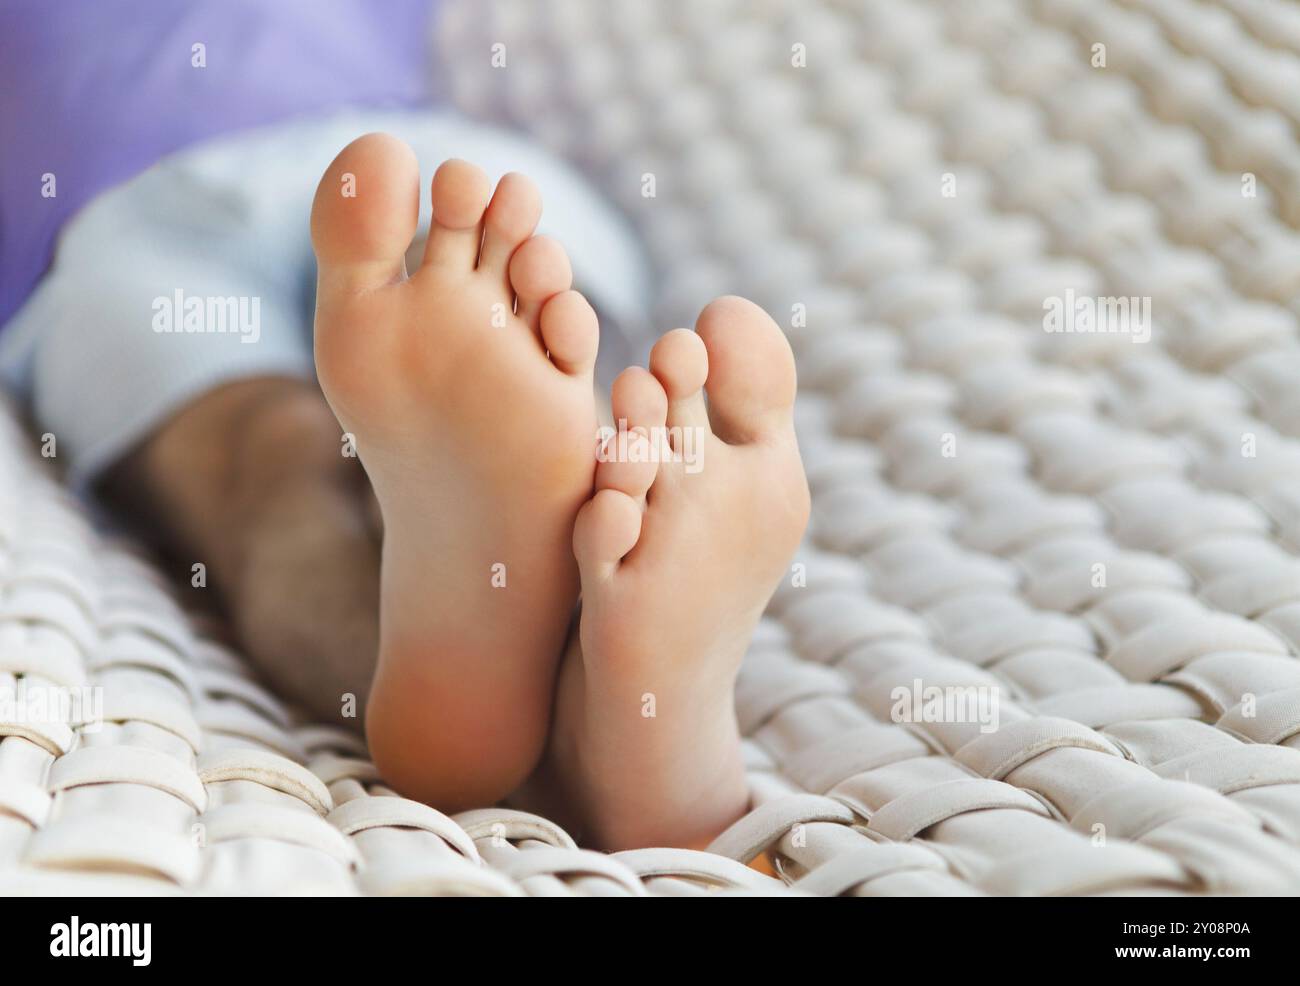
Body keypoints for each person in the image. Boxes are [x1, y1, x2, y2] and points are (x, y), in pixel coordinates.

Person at [1, 2, 810, 850]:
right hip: (137, 223)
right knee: (328, 420)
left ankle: (544, 659)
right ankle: (608, 728)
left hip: (384, 169)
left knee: (452, 339)